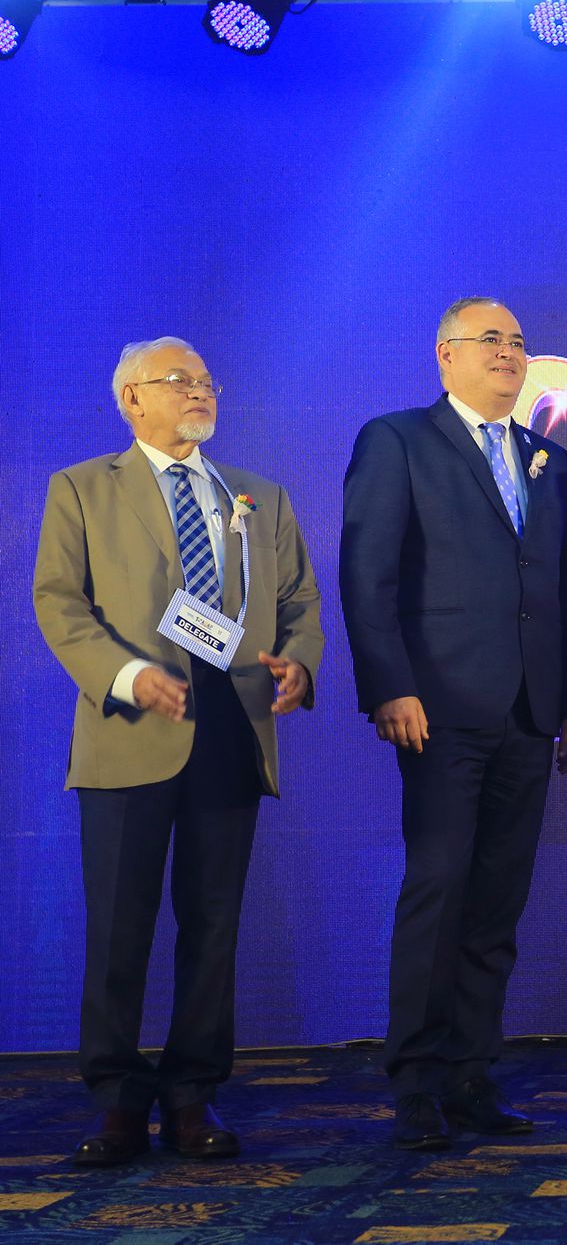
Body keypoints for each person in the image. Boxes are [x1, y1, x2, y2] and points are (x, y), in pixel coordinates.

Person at [34, 337, 323, 1166]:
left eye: (205, 381)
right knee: (118, 929)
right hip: (131, 730)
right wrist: (128, 676)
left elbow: (301, 601)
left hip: (230, 729)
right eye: (177, 381)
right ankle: (117, 1100)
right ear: (131, 399)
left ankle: (194, 1092)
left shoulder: (258, 496)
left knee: (213, 924)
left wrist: (299, 663)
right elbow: (59, 603)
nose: (199, 392)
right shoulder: (82, 488)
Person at [340, 297, 567, 1150]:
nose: (509, 353)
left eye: (518, 341)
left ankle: (470, 1073)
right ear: (445, 354)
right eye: (490, 339)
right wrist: (390, 686)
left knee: (496, 902)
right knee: (439, 888)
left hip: (530, 712)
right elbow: (368, 574)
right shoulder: (397, 441)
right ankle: (416, 1081)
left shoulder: (547, 458)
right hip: (440, 708)